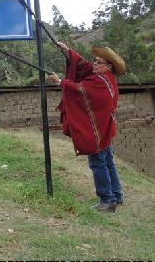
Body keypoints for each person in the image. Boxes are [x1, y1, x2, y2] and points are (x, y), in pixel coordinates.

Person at [48, 42, 127, 213]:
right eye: (95, 61)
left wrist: (60, 82)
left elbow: (80, 90)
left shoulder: (99, 81)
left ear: (109, 66)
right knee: (108, 162)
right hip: (105, 129)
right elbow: (83, 65)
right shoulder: (106, 78)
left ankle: (107, 200)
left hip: (98, 131)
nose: (94, 64)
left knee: (98, 163)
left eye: (99, 62)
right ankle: (117, 195)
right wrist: (68, 52)